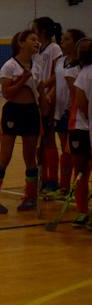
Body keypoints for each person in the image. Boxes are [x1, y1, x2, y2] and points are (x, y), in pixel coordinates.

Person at [0, 30, 43, 214]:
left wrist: (45, 113)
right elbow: (7, 93)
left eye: (37, 39)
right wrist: (22, 80)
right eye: (32, 39)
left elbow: (41, 93)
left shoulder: (37, 66)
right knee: (5, 156)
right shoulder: (9, 66)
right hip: (13, 112)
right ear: (21, 42)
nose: (36, 42)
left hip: (31, 112)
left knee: (30, 157)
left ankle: (30, 197)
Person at [49, 29, 86, 200]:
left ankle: (74, 189)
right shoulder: (60, 62)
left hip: (73, 114)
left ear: (77, 43)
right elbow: (56, 84)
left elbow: (76, 93)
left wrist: (72, 110)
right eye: (62, 38)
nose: (62, 41)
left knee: (71, 153)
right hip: (59, 112)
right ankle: (65, 188)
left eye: (67, 39)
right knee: (66, 151)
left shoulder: (81, 66)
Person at [32, 16, 63, 195]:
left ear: (42, 31)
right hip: (38, 98)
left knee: (49, 139)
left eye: (34, 29)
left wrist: (46, 91)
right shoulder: (38, 49)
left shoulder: (54, 48)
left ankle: (53, 179)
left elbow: (57, 74)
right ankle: (41, 177)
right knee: (40, 142)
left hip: (49, 98)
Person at [68, 38, 92, 228]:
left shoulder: (84, 73)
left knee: (81, 172)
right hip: (81, 128)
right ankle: (83, 211)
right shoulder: (81, 72)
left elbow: (81, 103)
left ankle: (83, 212)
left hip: (81, 127)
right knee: (81, 173)